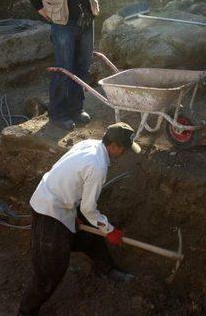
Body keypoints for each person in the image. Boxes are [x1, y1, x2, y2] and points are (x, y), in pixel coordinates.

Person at [18, 122, 140, 316]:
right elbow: (89, 208)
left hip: (63, 203)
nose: (124, 153)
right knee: (49, 271)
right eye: (124, 148)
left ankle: (106, 269)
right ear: (114, 146)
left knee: (90, 238)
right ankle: (26, 312)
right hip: (49, 211)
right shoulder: (97, 166)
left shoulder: (91, 144)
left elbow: (69, 178)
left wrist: (74, 214)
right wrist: (110, 230)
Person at [20, 0, 101, 131]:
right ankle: (58, 113)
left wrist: (88, 0)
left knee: (82, 66)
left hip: (86, 20)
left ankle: (76, 107)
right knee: (64, 69)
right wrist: (39, 7)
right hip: (62, 22)